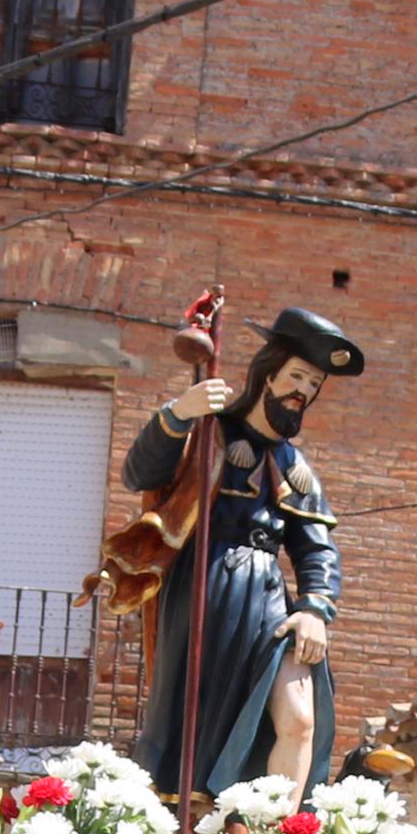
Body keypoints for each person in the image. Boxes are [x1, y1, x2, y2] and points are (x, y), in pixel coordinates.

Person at [119, 306, 363, 797]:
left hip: (271, 602)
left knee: (298, 718)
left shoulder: (294, 467)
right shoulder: (209, 432)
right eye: (297, 377)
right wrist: (179, 414)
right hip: (205, 591)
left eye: (313, 385)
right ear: (267, 374)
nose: (303, 392)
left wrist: (315, 609)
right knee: (198, 722)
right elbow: (139, 475)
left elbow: (317, 549)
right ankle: (193, 819)